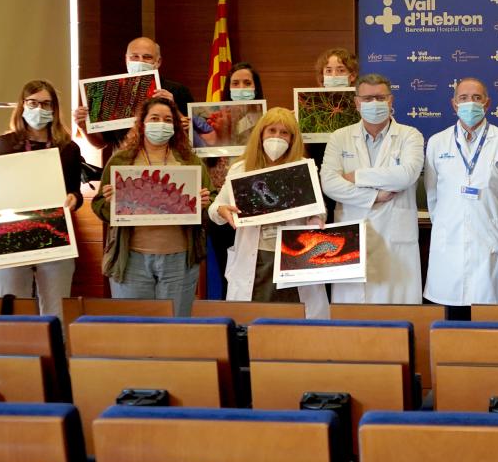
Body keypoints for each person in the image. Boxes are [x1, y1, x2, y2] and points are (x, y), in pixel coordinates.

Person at [0, 79, 83, 316]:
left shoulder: (68, 148)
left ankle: (55, 352)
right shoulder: (1, 145)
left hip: (53, 237)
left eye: (46, 104)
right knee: (13, 309)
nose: (39, 109)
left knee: (56, 311)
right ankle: (20, 354)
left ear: (54, 109)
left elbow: (75, 191)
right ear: (22, 106)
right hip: (8, 238)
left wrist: (74, 197)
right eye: (33, 103)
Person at [91, 96, 212, 317]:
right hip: (131, 259)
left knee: (175, 326)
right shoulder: (121, 161)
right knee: (135, 328)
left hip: (179, 259)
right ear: (142, 123)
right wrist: (110, 203)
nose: (161, 124)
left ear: (175, 126)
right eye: (154, 118)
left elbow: (209, 199)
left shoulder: (190, 161)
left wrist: (204, 203)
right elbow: (98, 205)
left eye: (167, 120)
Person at [209, 108, 329, 317]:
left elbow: (319, 210)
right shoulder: (240, 169)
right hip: (257, 260)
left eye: (284, 133)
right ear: (261, 134)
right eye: (271, 131)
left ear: (293, 139)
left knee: (295, 319)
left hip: (293, 256)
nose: (277, 137)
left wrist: (316, 218)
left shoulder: (302, 167)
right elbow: (214, 208)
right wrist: (221, 210)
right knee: (253, 320)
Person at [320, 73, 425, 303]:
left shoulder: (410, 136)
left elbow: (406, 175)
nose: (374, 104)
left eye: (380, 97)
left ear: (391, 100)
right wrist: (374, 195)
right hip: (352, 234)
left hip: (396, 240)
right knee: (352, 319)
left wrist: (355, 176)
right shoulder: (340, 137)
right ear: (357, 103)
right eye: (367, 99)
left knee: (398, 314)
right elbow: (329, 183)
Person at [423, 77, 498, 316]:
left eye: (477, 98)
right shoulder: (437, 143)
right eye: (464, 98)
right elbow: (432, 196)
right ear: (454, 104)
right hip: (449, 245)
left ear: (487, 103)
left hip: (491, 245)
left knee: (491, 326)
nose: (470, 103)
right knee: (451, 329)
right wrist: (447, 225)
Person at [205, 61, 265, 299]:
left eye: (247, 83)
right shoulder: (214, 118)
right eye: (235, 83)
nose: (241, 87)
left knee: (252, 272)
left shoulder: (264, 121)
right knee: (225, 271)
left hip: (255, 207)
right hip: (222, 207)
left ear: (256, 87)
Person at [74, 37, 194, 151]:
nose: (140, 61)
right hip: (125, 165)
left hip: (169, 163)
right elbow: (100, 144)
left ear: (158, 62)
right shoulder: (110, 93)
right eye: (135, 57)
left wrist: (174, 108)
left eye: (147, 57)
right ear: (126, 60)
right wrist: (84, 127)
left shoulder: (177, 91)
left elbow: (194, 137)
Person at [308, 47, 362, 218]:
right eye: (329, 70)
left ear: (351, 76)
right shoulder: (309, 107)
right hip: (318, 173)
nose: (334, 75)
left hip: (348, 173)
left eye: (341, 70)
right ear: (321, 76)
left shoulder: (358, 106)